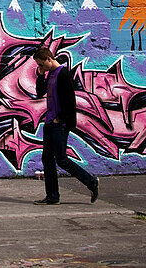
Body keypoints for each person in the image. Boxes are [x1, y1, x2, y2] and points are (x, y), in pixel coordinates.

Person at [32, 46, 99, 204]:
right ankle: (52, 196)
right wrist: (40, 75)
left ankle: (91, 182)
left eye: (41, 64)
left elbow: (70, 101)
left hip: (59, 124)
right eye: (38, 65)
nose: (40, 67)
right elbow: (40, 93)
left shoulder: (63, 74)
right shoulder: (50, 74)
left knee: (61, 159)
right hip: (49, 123)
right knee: (47, 159)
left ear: (49, 58)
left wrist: (60, 118)